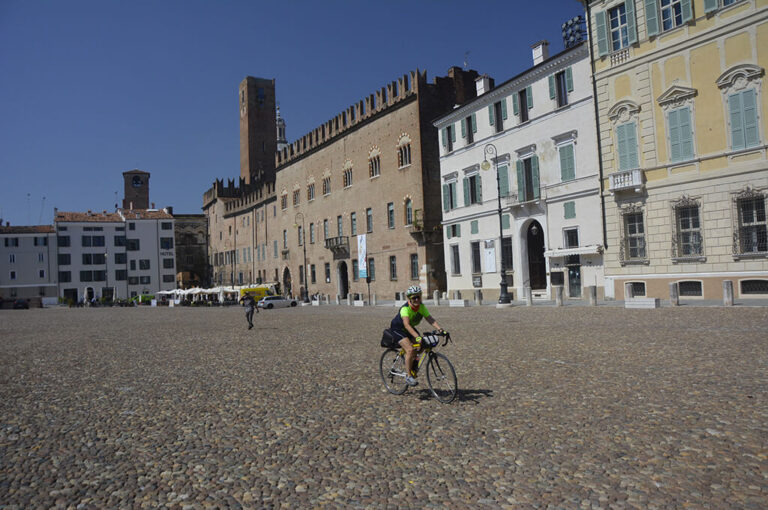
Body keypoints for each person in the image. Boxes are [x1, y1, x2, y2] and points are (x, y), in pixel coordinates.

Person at [389, 285, 446, 387]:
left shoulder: (421, 307)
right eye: (413, 297)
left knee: (422, 346)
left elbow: (430, 319)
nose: (416, 299)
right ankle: (408, 376)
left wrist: (440, 329)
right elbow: (406, 324)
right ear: (409, 298)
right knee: (410, 349)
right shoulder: (405, 309)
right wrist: (417, 337)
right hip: (398, 329)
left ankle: (412, 362)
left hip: (409, 328)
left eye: (418, 297)